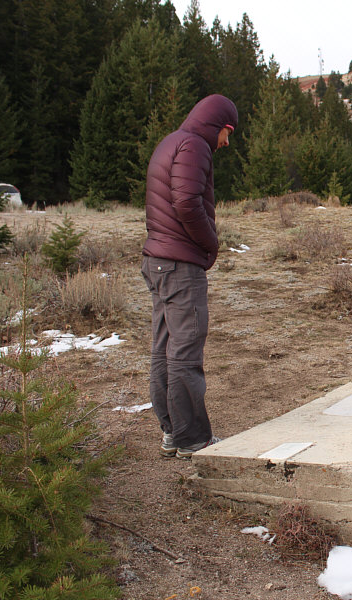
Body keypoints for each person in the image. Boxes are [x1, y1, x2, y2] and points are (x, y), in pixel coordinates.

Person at [141, 94, 238, 459]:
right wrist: (210, 243)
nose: (227, 143)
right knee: (184, 353)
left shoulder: (171, 142)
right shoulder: (195, 145)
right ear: (219, 126)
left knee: (164, 348)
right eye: (229, 133)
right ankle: (192, 438)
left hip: (159, 260)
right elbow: (186, 203)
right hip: (180, 266)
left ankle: (172, 432)